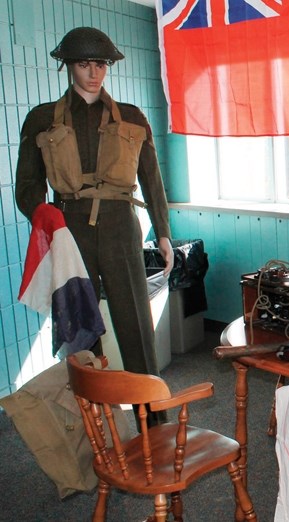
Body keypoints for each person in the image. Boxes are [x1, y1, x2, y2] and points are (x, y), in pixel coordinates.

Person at [15, 28, 174, 411]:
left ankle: (152, 420)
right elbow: (27, 186)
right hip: (69, 228)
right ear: (68, 66)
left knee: (135, 324)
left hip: (121, 226)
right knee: (81, 328)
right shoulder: (41, 120)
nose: (93, 72)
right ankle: (97, 425)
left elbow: (151, 179)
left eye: (100, 63)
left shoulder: (133, 118)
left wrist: (164, 234)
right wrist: (44, 214)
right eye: (84, 64)